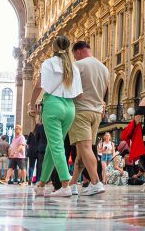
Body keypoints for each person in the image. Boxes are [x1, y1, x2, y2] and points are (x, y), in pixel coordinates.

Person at [29, 35, 83, 198]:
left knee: (56, 146)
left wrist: (32, 103)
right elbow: (79, 95)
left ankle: (66, 185)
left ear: (53, 48)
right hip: (70, 107)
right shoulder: (73, 67)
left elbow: (39, 85)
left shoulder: (48, 63)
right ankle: (42, 184)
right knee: (53, 147)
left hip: (53, 106)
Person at [70, 40, 109, 195]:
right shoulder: (104, 68)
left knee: (85, 148)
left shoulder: (78, 66)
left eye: (74, 55)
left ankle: (96, 182)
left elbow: (71, 89)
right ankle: (72, 184)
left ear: (78, 51)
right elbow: (105, 91)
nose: (75, 58)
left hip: (81, 111)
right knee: (82, 152)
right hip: (96, 113)